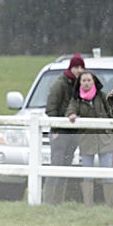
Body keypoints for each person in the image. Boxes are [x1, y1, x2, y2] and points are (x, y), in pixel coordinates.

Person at [67, 70, 113, 206]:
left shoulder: (103, 97)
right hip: (86, 141)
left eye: (88, 80)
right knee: (87, 175)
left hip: (105, 140)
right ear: (79, 83)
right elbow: (70, 110)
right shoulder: (76, 98)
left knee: (107, 175)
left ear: (94, 81)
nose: (86, 83)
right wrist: (72, 115)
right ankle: (88, 205)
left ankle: (109, 205)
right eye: (83, 81)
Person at [43, 52, 84, 205]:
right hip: (60, 132)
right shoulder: (60, 84)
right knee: (56, 166)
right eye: (77, 66)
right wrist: (56, 129)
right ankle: (48, 201)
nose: (79, 70)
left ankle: (58, 201)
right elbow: (51, 108)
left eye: (81, 67)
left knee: (65, 167)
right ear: (71, 67)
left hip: (73, 133)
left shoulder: (78, 86)